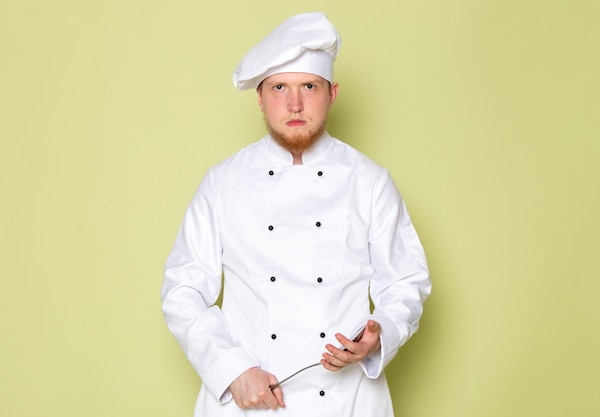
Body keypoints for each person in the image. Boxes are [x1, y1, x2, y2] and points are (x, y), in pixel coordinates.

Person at [161, 11, 431, 417]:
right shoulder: (222, 183)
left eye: (309, 86)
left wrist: (378, 336)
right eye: (279, 88)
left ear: (332, 93)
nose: (295, 104)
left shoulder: (369, 181)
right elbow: (182, 291)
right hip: (249, 401)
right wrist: (233, 370)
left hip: (347, 401)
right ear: (260, 98)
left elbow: (406, 283)